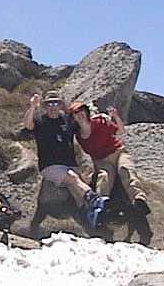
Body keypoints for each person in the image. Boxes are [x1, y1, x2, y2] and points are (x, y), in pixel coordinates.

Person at [23, 91, 108, 230]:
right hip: (50, 166)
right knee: (73, 179)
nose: (53, 106)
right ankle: (95, 200)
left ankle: (93, 226)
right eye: (49, 103)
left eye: (56, 103)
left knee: (77, 197)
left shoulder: (67, 120)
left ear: (61, 105)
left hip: (70, 165)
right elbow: (28, 125)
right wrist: (32, 106)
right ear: (45, 106)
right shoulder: (40, 120)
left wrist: (100, 117)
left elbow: (84, 125)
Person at [69, 102, 152, 242]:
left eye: (82, 111)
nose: (80, 114)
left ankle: (139, 200)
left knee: (125, 170)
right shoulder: (78, 135)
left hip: (118, 153)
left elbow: (120, 131)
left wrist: (115, 117)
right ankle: (101, 206)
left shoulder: (100, 122)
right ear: (73, 118)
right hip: (102, 161)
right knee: (103, 177)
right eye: (76, 113)